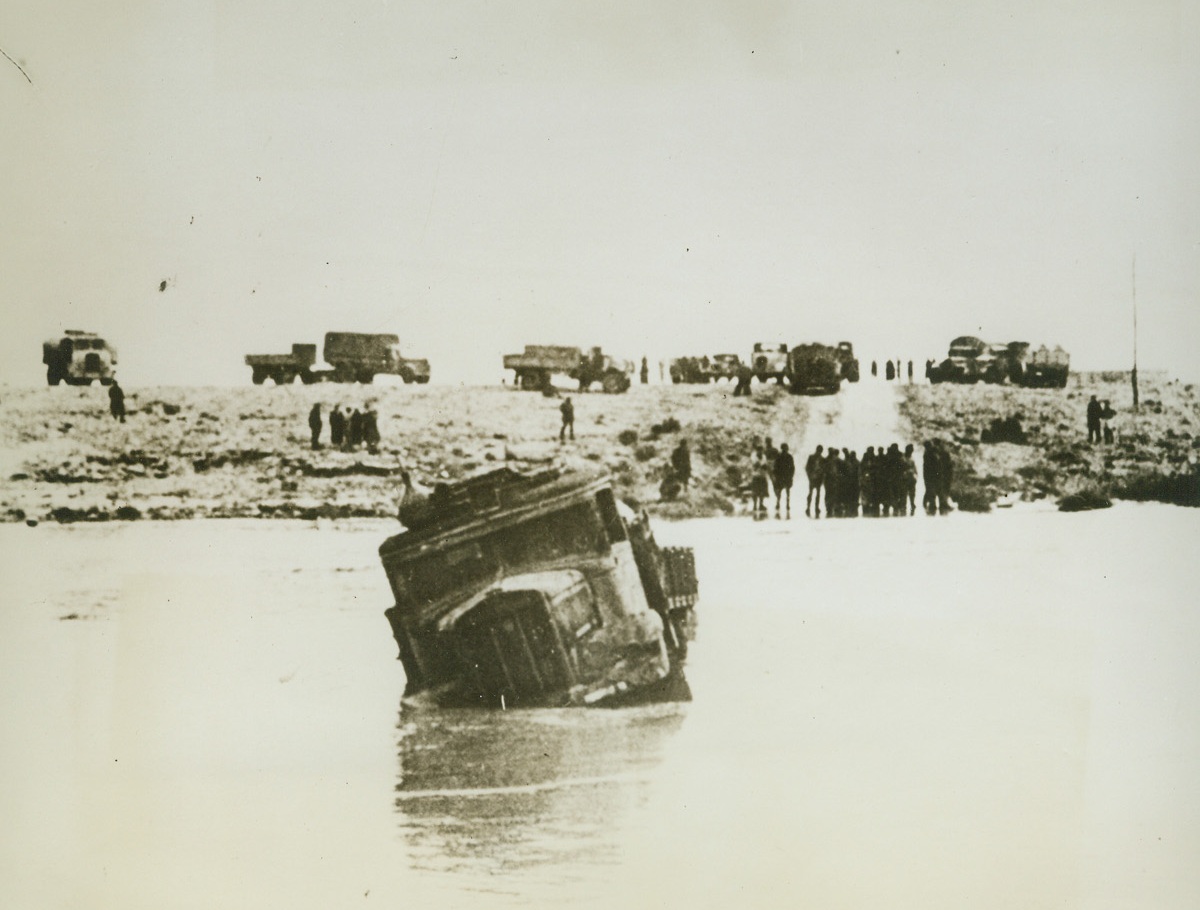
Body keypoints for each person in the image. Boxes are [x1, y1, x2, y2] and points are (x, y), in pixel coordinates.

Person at [773, 443, 795, 514]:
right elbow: (776, 467)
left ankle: (781, 504)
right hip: (783, 476)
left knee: (782, 491)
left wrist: (791, 475)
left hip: (784, 476)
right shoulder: (787, 457)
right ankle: (783, 504)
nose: (785, 450)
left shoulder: (781, 456)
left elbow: (792, 467)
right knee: (784, 491)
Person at [804, 444, 825, 516]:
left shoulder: (822, 459)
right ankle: (809, 508)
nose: (819, 452)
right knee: (811, 493)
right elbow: (807, 468)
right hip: (813, 478)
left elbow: (823, 470)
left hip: (818, 478)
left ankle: (816, 508)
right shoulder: (812, 457)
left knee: (816, 494)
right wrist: (810, 476)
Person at [902, 443, 918, 514]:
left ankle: (912, 505)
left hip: (911, 478)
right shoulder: (903, 458)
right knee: (904, 493)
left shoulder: (912, 458)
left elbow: (914, 468)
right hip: (905, 478)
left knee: (912, 493)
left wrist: (915, 475)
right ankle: (904, 506)